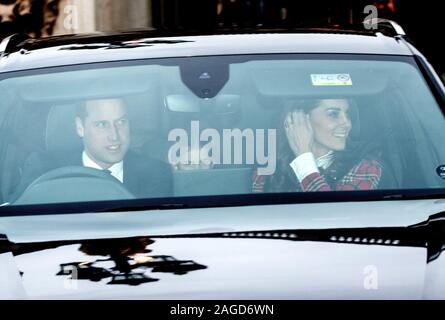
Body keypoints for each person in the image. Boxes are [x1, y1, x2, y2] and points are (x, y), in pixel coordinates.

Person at [12, 98, 172, 201]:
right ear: (80, 127)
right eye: (102, 124)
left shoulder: (155, 173)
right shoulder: (43, 169)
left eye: (121, 122)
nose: (115, 136)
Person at [253, 98, 383, 193]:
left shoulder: (365, 166)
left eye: (347, 114)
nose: (347, 123)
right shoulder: (269, 169)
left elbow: (336, 216)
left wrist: (303, 156)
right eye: (333, 114)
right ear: (300, 120)